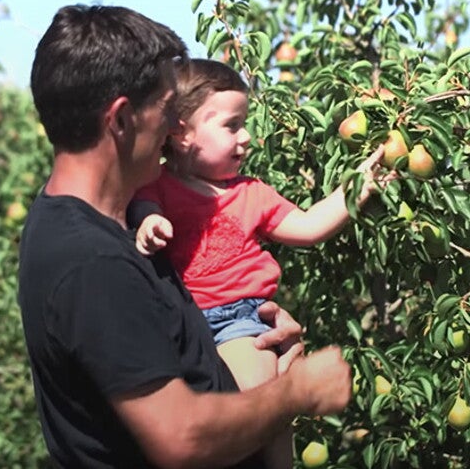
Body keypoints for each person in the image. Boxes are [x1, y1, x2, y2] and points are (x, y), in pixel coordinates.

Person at [18, 4, 351, 469]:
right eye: (168, 110)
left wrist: (267, 346)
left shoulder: (116, 229)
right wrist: (295, 392)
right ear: (120, 119)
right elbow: (181, 438)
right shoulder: (91, 262)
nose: (176, 130)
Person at [132, 58, 395, 468]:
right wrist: (149, 221)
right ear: (181, 133)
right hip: (184, 321)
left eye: (245, 122)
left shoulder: (253, 193)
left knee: (261, 401)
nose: (247, 136)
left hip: (242, 320)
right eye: (232, 125)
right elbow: (143, 207)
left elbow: (308, 226)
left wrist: (358, 187)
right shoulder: (157, 184)